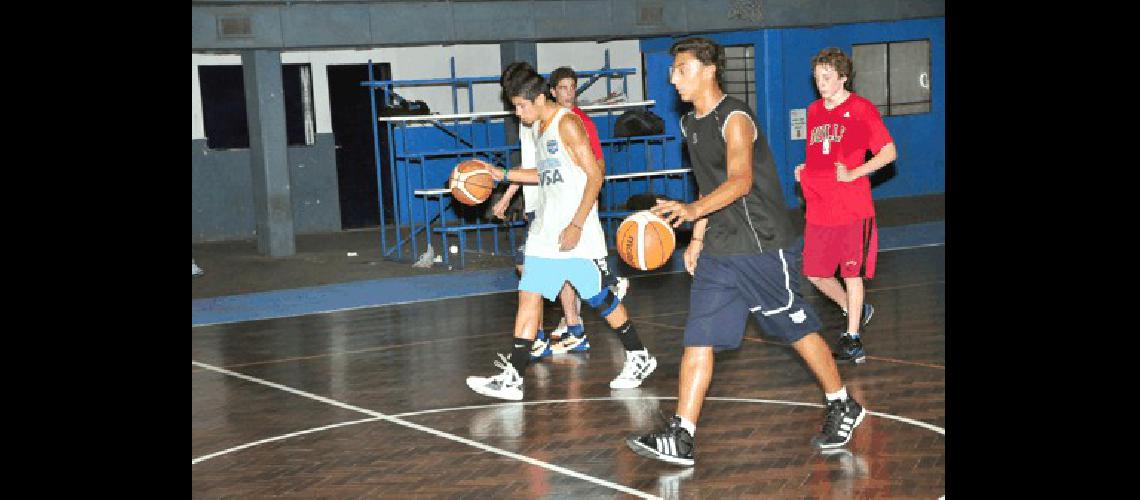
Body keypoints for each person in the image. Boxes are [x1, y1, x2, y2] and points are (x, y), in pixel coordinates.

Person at [626, 37, 866, 466]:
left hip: (760, 246)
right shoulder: (690, 124)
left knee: (796, 330)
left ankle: (841, 401)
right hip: (720, 247)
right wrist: (698, 236)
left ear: (708, 70)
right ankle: (682, 433)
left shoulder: (735, 118)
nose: (673, 77)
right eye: (673, 70)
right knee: (698, 336)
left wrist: (693, 211)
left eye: (682, 69)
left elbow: (739, 181)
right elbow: (706, 180)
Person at [466, 64, 657, 401]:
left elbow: (596, 175)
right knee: (528, 295)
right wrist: (503, 174)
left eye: (521, 106)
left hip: (574, 232)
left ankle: (639, 355)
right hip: (546, 230)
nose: (517, 113)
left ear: (540, 99)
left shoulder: (567, 123)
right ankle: (513, 377)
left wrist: (577, 224)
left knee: (600, 298)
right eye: (514, 108)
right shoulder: (540, 126)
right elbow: (543, 173)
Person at [793, 47, 897, 364]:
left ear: (843, 77)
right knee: (814, 272)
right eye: (817, 78)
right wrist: (805, 169)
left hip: (853, 207)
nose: (821, 83)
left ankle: (852, 338)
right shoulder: (814, 112)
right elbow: (822, 153)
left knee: (852, 275)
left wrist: (854, 173)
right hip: (821, 206)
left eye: (827, 77)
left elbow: (889, 152)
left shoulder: (862, 109)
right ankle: (855, 309)